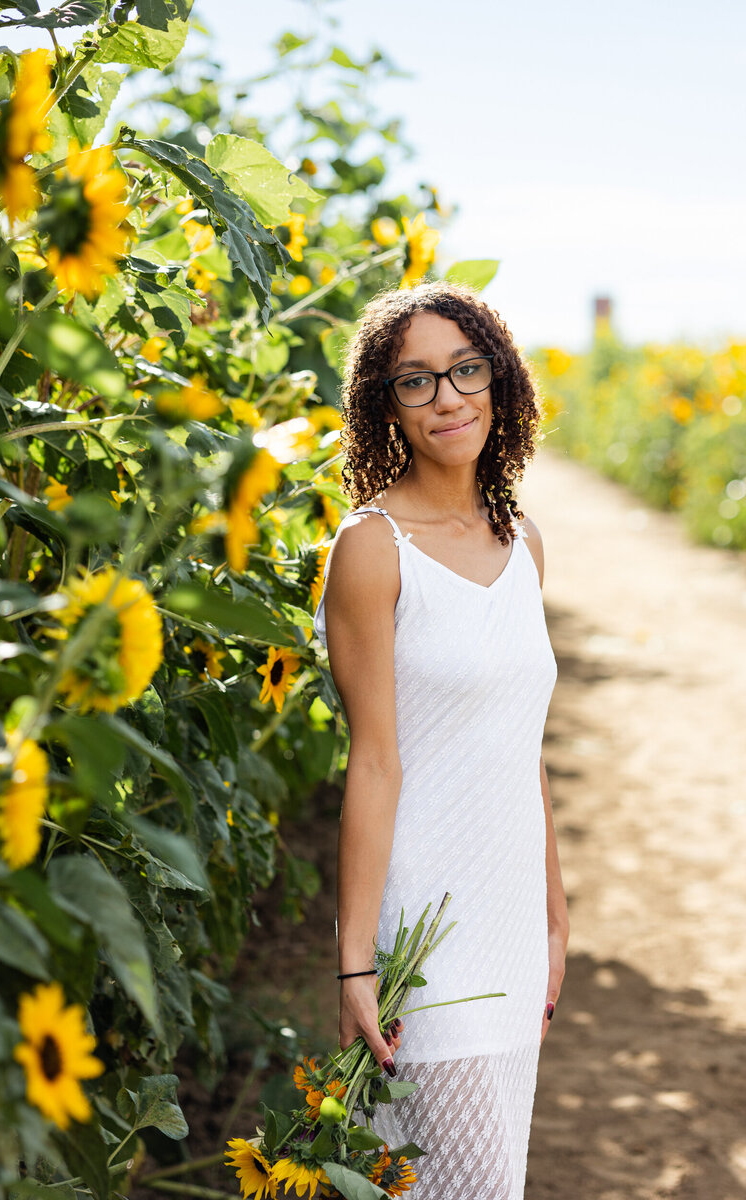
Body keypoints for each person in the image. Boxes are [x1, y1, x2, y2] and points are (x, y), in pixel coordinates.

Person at [312, 279, 569, 1199]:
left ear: (498, 382)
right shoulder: (372, 547)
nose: (447, 398)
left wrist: (552, 910)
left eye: (464, 370)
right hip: (424, 933)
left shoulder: (522, 542)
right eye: (415, 382)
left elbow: (521, 750)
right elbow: (374, 763)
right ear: (386, 406)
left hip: (508, 930)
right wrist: (356, 959)